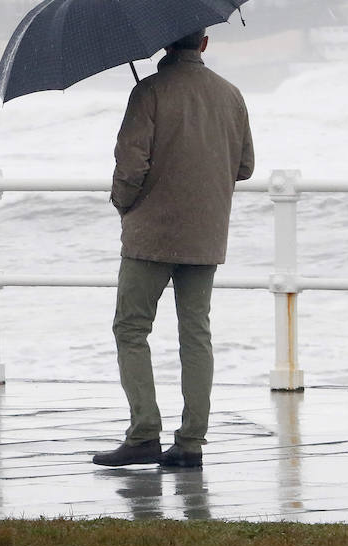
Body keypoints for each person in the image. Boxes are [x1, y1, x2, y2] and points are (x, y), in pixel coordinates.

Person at [92, 30, 254, 469]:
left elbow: (131, 165)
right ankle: (191, 443)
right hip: (205, 234)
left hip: (151, 235)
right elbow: (245, 166)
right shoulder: (231, 95)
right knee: (195, 334)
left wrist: (124, 204)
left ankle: (144, 433)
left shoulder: (148, 93)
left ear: (165, 46)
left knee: (131, 329)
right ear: (203, 44)